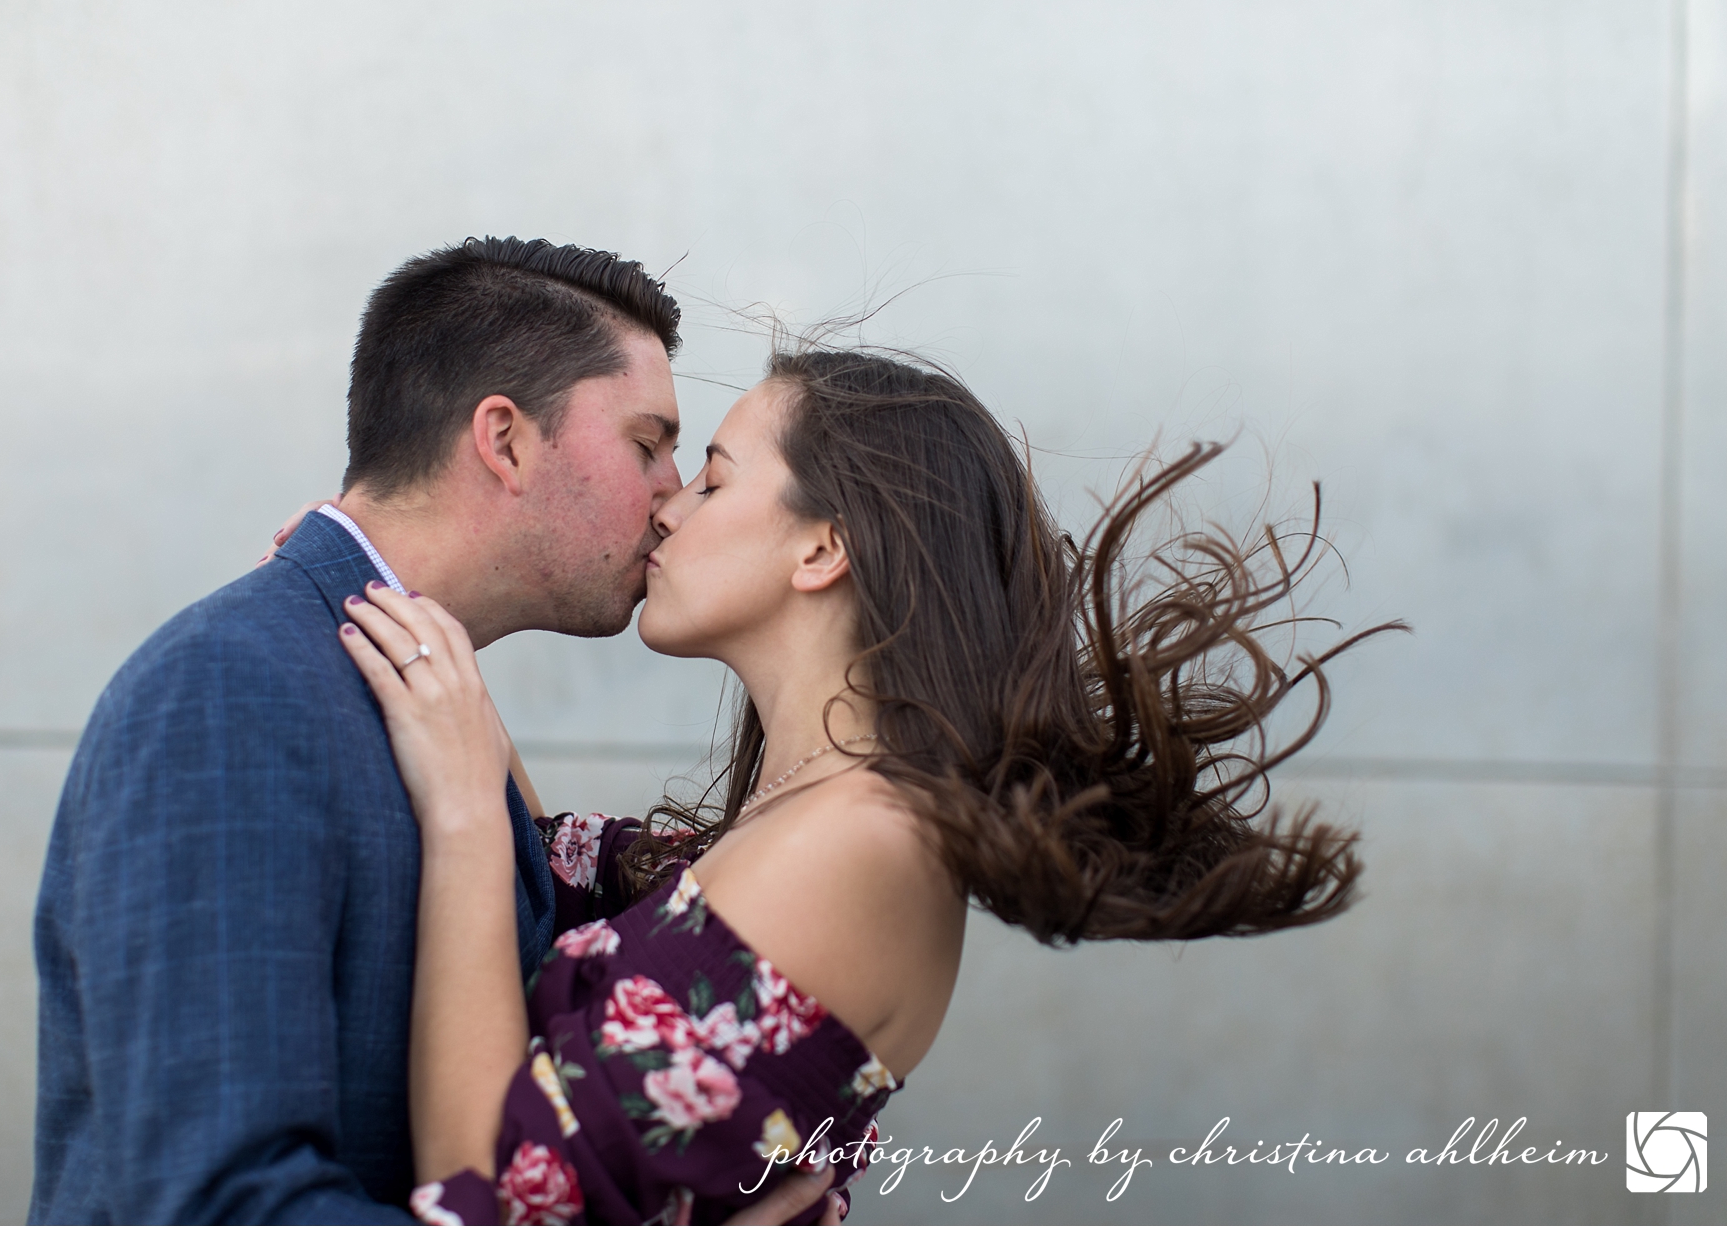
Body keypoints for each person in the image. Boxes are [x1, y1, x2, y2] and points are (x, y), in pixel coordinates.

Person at [335, 346, 1401, 1224]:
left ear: (821, 548)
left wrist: (466, 808)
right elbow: (548, 869)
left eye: (711, 475)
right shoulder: (815, 812)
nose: (666, 510)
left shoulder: (859, 841)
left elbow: (491, 1191)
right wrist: (399, 593)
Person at [28, 237, 830, 1223]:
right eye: (646, 443)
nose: (669, 495)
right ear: (503, 439)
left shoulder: (429, 707)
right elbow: (220, 1207)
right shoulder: (231, 690)